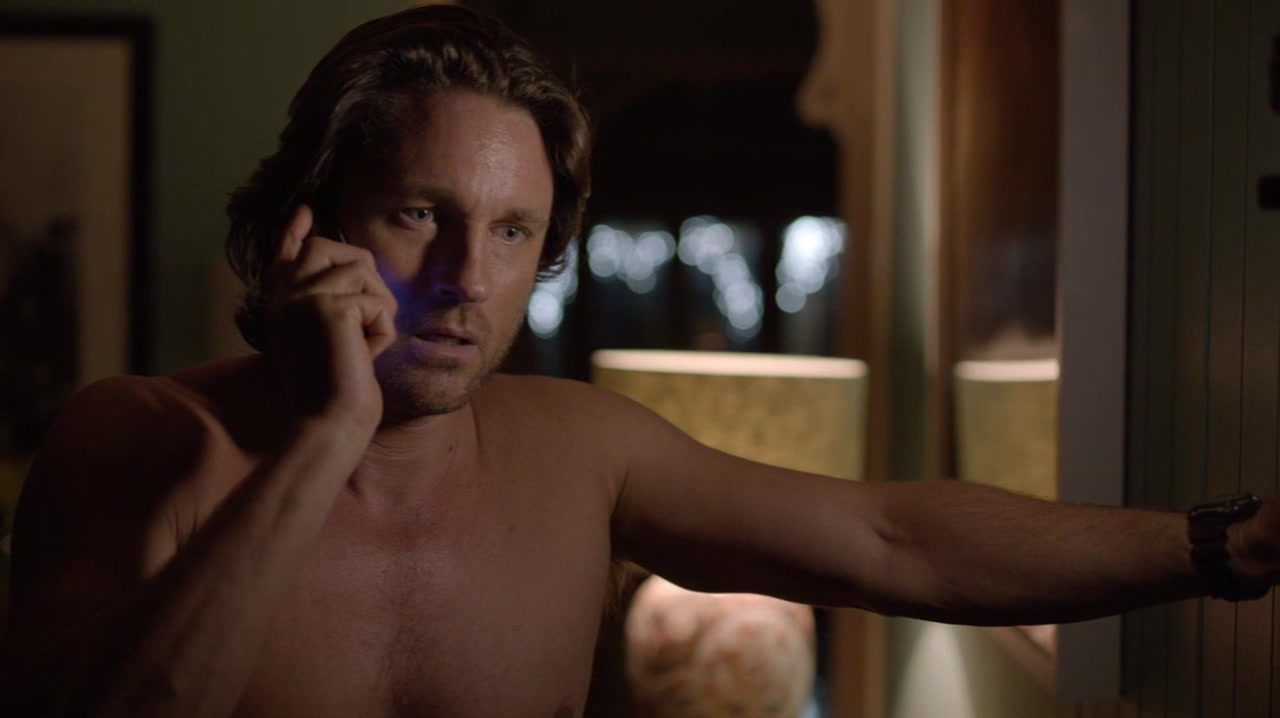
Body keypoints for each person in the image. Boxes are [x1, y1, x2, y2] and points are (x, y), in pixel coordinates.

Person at [2, 5, 1277, 717]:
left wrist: (1222, 547)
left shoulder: (580, 453)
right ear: (309, 223)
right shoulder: (137, 442)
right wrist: (327, 434)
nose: (467, 276)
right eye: (418, 214)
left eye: (513, 231)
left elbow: (893, 540)